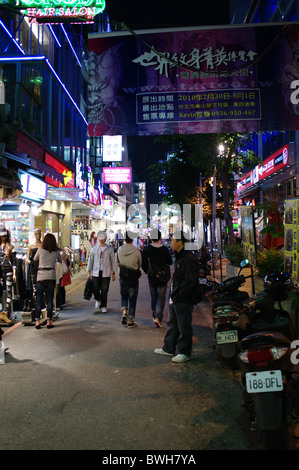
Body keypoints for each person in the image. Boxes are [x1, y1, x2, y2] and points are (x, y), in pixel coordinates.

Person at [154, 231, 198, 363]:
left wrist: (179, 295)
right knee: (172, 323)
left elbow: (190, 282)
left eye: (173, 241)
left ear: (180, 243)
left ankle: (185, 352)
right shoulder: (180, 257)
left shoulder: (188, 258)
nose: (171, 243)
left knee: (184, 325)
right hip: (175, 297)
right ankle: (169, 348)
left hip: (183, 298)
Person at [142, 229, 172, 328]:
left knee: (154, 296)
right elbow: (170, 261)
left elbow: (143, 262)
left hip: (152, 276)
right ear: (160, 238)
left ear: (151, 238)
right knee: (161, 297)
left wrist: (148, 271)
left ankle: (155, 314)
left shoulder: (147, 249)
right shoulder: (164, 249)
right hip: (162, 276)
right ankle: (158, 317)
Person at [34, 233, 62, 329]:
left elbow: (35, 258)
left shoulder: (40, 250)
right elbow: (60, 261)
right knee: (49, 299)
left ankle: (37, 321)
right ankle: (49, 321)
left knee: (39, 300)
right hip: (51, 276)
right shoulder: (56, 252)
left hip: (41, 276)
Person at [117, 231, 142, 328]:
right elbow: (139, 264)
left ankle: (124, 312)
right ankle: (130, 320)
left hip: (123, 275)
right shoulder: (136, 251)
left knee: (123, 295)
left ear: (124, 239)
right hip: (133, 276)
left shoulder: (119, 249)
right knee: (132, 298)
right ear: (132, 239)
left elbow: (117, 262)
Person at [87, 230, 116, 313]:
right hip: (96, 272)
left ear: (105, 238)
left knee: (104, 290)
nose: (101, 239)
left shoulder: (110, 249)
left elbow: (113, 262)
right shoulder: (94, 249)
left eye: (102, 238)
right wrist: (89, 272)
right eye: (99, 237)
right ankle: (97, 299)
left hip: (106, 272)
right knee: (95, 288)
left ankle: (103, 305)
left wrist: (113, 273)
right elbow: (90, 261)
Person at [0, 224, 16, 324]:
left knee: (9, 292)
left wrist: (14, 273)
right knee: (1, 293)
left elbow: (14, 262)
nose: (3, 237)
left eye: (4, 235)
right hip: (0, 272)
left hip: (9, 271)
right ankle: (2, 313)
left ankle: (6, 312)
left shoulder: (10, 247)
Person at [25, 228, 42, 318]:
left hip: (41, 268)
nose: (38, 236)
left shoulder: (43, 245)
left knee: (42, 288)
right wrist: (30, 262)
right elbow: (27, 258)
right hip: (33, 268)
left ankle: (42, 307)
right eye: (36, 234)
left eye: (39, 234)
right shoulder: (31, 246)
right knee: (34, 288)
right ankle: (36, 308)